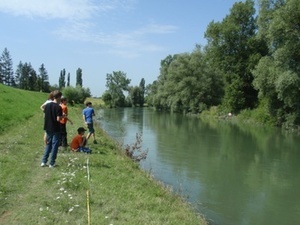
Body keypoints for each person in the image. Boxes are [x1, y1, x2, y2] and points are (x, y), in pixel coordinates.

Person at [41, 90, 63, 168]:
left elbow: (44, 112)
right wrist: (62, 116)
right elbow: (58, 119)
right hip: (55, 128)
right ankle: (52, 163)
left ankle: (43, 161)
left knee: (48, 144)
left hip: (47, 127)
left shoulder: (47, 105)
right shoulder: (58, 107)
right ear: (59, 97)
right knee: (55, 145)